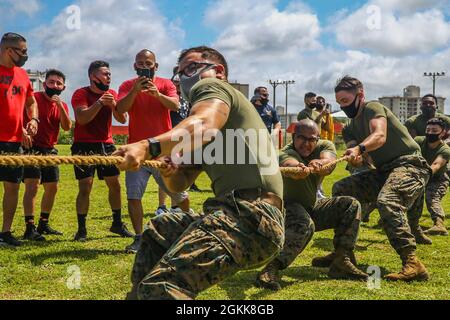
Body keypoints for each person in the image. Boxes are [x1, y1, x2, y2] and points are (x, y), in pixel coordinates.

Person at [114, 46, 284, 300]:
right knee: (162, 227)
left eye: (192, 68)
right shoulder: (202, 123)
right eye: (179, 73)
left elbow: (204, 125)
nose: (186, 78)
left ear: (219, 72)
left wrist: (146, 145)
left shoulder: (214, 89)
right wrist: (170, 169)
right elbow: (179, 182)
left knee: (162, 288)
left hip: (251, 215)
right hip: (235, 215)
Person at [332, 76, 432, 282]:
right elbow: (362, 158)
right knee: (341, 188)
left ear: (360, 95)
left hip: (410, 165)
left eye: (345, 100)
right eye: (339, 102)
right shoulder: (349, 127)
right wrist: (356, 157)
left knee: (388, 201)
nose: (343, 106)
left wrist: (359, 148)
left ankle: (412, 262)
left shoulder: (373, 108)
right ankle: (342, 255)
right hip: (384, 170)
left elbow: (379, 136)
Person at [256, 120, 367, 291]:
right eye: (301, 138)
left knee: (350, 205)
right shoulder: (284, 153)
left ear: (317, 139)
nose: (307, 143)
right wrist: (298, 168)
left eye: (311, 139)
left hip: (311, 206)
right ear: (293, 137)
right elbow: (289, 163)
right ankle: (271, 268)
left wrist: (319, 164)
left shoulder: (324, 145)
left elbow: (328, 162)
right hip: (285, 209)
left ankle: (341, 260)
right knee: (305, 224)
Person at [116, 50, 190, 254]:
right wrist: (134, 92)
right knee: (133, 196)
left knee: (179, 195)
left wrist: (157, 94)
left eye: (148, 63)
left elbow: (175, 105)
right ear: (134, 66)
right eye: (140, 63)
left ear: (156, 66)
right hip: (136, 151)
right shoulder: (126, 85)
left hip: (162, 150)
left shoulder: (166, 84)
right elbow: (120, 109)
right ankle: (139, 237)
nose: (144, 66)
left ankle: (190, 228)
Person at [71, 60, 132, 242]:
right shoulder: (80, 93)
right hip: (84, 145)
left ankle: (117, 224)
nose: (109, 77)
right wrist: (98, 103)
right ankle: (81, 229)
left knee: (115, 184)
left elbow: (122, 119)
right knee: (85, 187)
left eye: (110, 74)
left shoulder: (112, 94)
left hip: (107, 145)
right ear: (93, 76)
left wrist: (114, 105)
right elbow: (81, 119)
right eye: (105, 74)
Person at [22, 69, 72, 241]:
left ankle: (43, 223)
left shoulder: (62, 105)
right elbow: (19, 118)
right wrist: (24, 133)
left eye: (58, 83)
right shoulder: (33, 98)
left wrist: (60, 107)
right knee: (32, 186)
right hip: (32, 147)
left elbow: (66, 127)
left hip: (50, 149)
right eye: (51, 82)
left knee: (52, 187)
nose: (55, 86)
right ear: (44, 84)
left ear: (63, 87)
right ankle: (29, 227)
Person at [0, 32, 38, 247]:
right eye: (22, 51)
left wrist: (33, 119)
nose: (26, 55)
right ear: (8, 50)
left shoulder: (23, 75)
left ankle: (5, 232)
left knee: (12, 187)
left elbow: (31, 101)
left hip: (14, 142)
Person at [415, 119, 450, 236]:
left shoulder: (445, 149)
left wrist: (422, 177)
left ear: (443, 133)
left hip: (438, 179)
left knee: (432, 198)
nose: (430, 133)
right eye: (428, 130)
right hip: (418, 174)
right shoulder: (419, 141)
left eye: (434, 130)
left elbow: (436, 165)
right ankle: (390, 219)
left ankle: (439, 224)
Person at [170, 66, 202, 193]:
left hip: (185, 126)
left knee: (187, 156)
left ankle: (190, 183)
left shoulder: (187, 89)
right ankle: (176, 182)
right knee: (176, 157)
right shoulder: (171, 84)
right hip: (173, 126)